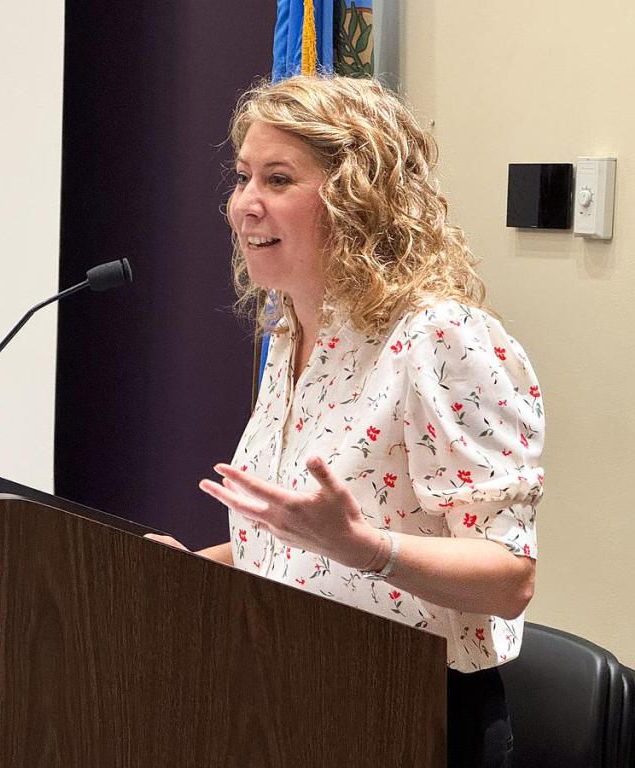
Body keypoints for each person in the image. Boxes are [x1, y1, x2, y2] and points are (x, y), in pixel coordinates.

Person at [147, 75, 543, 768]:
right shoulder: (293, 332)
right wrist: (189, 571)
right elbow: (302, 548)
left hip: (408, 712)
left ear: (359, 197)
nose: (244, 204)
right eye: (242, 177)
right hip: (291, 693)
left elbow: (509, 578)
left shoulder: (438, 338)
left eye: (277, 179)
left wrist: (367, 547)